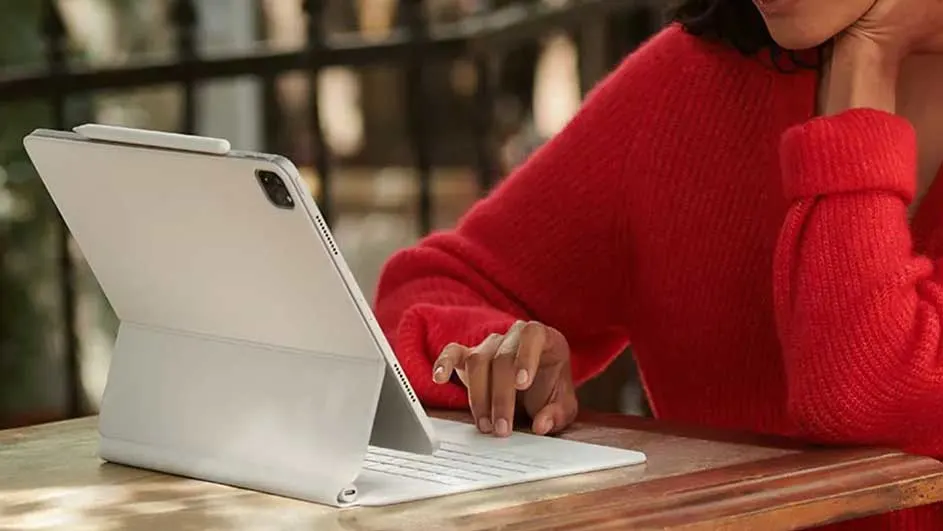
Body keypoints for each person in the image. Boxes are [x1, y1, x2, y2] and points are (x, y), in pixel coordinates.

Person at [372, 0, 943, 529]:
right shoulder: (688, 86)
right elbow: (432, 288)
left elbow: (860, 391)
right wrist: (504, 365)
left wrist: (865, 60)